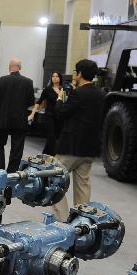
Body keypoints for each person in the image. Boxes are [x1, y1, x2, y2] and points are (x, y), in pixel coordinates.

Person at [49, 59, 104, 218]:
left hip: (71, 147)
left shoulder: (77, 93)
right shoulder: (101, 94)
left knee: (54, 178)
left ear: (80, 74)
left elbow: (60, 113)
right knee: (83, 185)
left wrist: (60, 97)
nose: (74, 74)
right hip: (89, 148)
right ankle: (82, 221)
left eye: (75, 72)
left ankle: (62, 220)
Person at [0, 58, 35, 172]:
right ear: (20, 68)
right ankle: (11, 173)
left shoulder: (1, 80)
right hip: (20, 120)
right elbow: (31, 102)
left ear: (9, 67)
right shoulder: (28, 82)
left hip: (3, 119)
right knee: (17, 148)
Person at [28, 72, 63, 155]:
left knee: (54, 138)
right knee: (51, 138)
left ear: (60, 78)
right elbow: (39, 102)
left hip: (59, 117)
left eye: (56, 76)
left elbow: (65, 103)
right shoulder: (47, 89)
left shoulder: (63, 90)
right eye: (53, 76)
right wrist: (32, 114)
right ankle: (54, 157)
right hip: (49, 116)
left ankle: (44, 155)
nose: (54, 78)